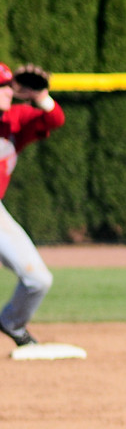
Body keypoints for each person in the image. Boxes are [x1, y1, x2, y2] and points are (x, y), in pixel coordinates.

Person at [0, 63, 64, 348]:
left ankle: (11, 323)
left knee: (38, 280)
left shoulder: (14, 120)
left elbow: (54, 119)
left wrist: (40, 97)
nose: (7, 91)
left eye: (8, 85)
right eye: (1, 86)